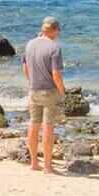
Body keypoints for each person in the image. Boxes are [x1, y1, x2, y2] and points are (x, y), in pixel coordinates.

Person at [22, 16, 67, 174]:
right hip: (49, 92)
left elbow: (25, 68)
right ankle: (47, 166)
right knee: (48, 127)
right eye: (58, 30)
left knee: (33, 125)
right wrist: (62, 92)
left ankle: (34, 163)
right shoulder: (54, 48)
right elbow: (56, 74)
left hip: (33, 90)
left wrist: (32, 82)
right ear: (54, 30)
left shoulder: (29, 44)